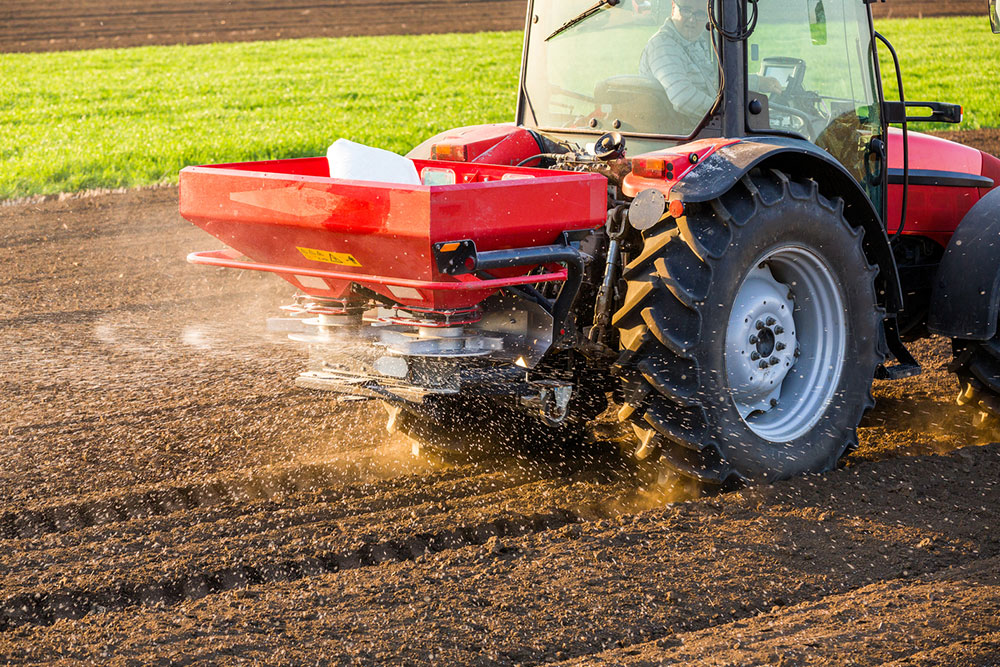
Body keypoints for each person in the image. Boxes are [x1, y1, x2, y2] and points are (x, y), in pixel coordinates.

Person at [639, 0, 718, 125]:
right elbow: (683, 98)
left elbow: (715, 79)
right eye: (686, 10)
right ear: (673, 7)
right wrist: (723, 113)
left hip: (701, 126)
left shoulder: (695, 40)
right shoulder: (663, 45)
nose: (692, 20)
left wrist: (757, 83)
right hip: (682, 134)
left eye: (700, 14)